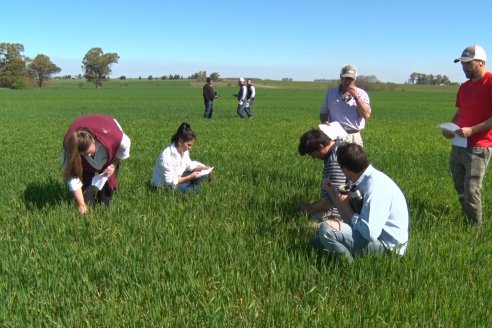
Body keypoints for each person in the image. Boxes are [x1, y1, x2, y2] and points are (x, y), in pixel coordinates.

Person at [316, 143, 409, 263]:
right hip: (375, 238)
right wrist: (334, 194)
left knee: (327, 230)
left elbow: (369, 233)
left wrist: (348, 209)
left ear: (344, 169)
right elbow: (351, 221)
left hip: (388, 248)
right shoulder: (363, 180)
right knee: (316, 242)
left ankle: (349, 269)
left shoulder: (374, 188)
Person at [442, 45, 492, 226]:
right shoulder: (464, 87)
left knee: (472, 189)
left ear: (481, 62)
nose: (464, 68)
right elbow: (460, 113)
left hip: (480, 145)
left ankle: (475, 230)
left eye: (468, 64)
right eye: (462, 64)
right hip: (459, 143)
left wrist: (473, 130)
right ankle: (467, 218)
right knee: (460, 185)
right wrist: (450, 127)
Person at [62, 114, 131, 214]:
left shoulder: (114, 136)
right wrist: (81, 204)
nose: (89, 155)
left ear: (93, 140)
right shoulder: (69, 150)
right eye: (85, 154)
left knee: (105, 203)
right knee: (88, 204)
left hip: (110, 158)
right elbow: (73, 179)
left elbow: (124, 146)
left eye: (91, 152)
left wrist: (113, 164)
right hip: (84, 165)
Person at [298, 128, 346, 222]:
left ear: (320, 146)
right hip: (336, 205)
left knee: (306, 224)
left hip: (337, 213)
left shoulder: (334, 161)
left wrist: (310, 209)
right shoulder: (338, 147)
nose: (312, 158)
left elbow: (334, 198)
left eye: (311, 154)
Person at [151, 122, 212, 193]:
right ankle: (191, 187)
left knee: (202, 176)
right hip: (165, 186)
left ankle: (191, 185)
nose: (190, 148)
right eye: (188, 145)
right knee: (195, 190)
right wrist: (189, 178)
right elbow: (170, 182)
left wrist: (204, 168)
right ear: (180, 141)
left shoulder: (184, 151)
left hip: (178, 177)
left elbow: (189, 165)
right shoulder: (166, 157)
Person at [319, 64, 372, 146]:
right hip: (335, 137)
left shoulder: (362, 94)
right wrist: (325, 126)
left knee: (355, 159)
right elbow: (323, 114)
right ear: (341, 77)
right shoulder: (331, 93)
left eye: (351, 79)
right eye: (346, 78)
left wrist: (356, 97)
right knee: (335, 159)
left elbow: (367, 115)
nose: (348, 81)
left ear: (355, 79)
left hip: (354, 137)